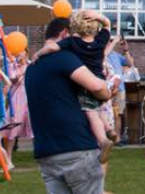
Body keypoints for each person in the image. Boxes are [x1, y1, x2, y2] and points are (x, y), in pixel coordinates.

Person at [26, 17, 113, 194]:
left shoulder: (33, 68)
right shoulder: (65, 60)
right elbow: (99, 89)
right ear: (65, 34)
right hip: (76, 145)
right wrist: (105, 88)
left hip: (46, 150)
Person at [33, 10, 114, 159]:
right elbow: (108, 24)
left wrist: (37, 54)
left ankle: (103, 141)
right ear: (96, 27)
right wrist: (99, 17)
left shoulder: (72, 42)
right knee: (98, 107)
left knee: (90, 113)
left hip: (85, 81)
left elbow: (52, 48)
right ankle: (109, 129)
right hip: (100, 78)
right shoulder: (101, 41)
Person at [4, 51, 32, 154]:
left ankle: (40, 154)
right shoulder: (13, 65)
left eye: (21, 51)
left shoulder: (31, 64)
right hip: (17, 98)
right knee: (12, 125)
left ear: (26, 53)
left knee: (33, 125)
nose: (19, 54)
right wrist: (22, 71)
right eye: (17, 51)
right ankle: (8, 157)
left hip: (30, 97)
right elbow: (12, 79)